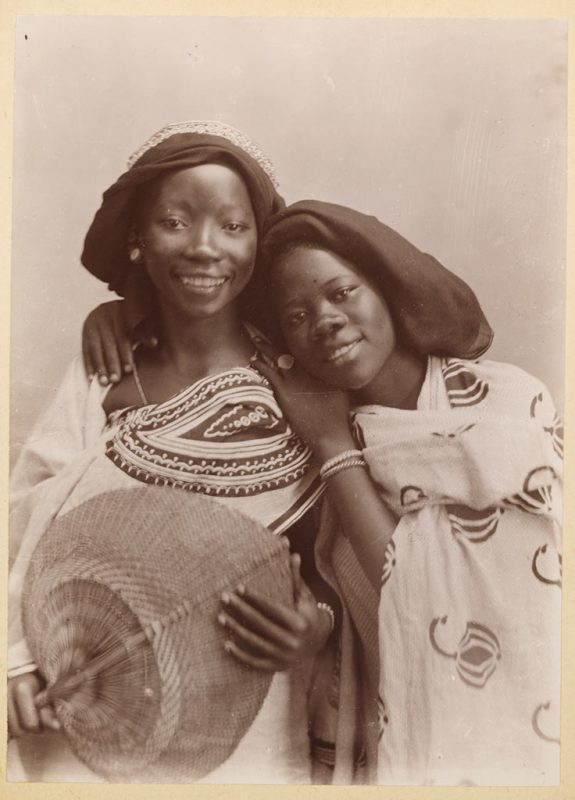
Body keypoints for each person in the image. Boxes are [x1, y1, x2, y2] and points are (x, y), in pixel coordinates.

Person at [8, 121, 331, 784]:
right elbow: (23, 517)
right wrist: (15, 654)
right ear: (135, 239)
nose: (204, 248)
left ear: (259, 244)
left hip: (254, 719)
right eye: (175, 222)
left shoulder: (302, 377)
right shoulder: (101, 372)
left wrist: (318, 627)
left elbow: (342, 549)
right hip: (93, 702)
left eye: (232, 226)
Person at [234, 199, 562, 786]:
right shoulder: (309, 448)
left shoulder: (510, 402)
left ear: (386, 288)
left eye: (342, 292)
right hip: (400, 743)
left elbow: (413, 578)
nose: (325, 320)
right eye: (297, 316)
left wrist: (333, 444)